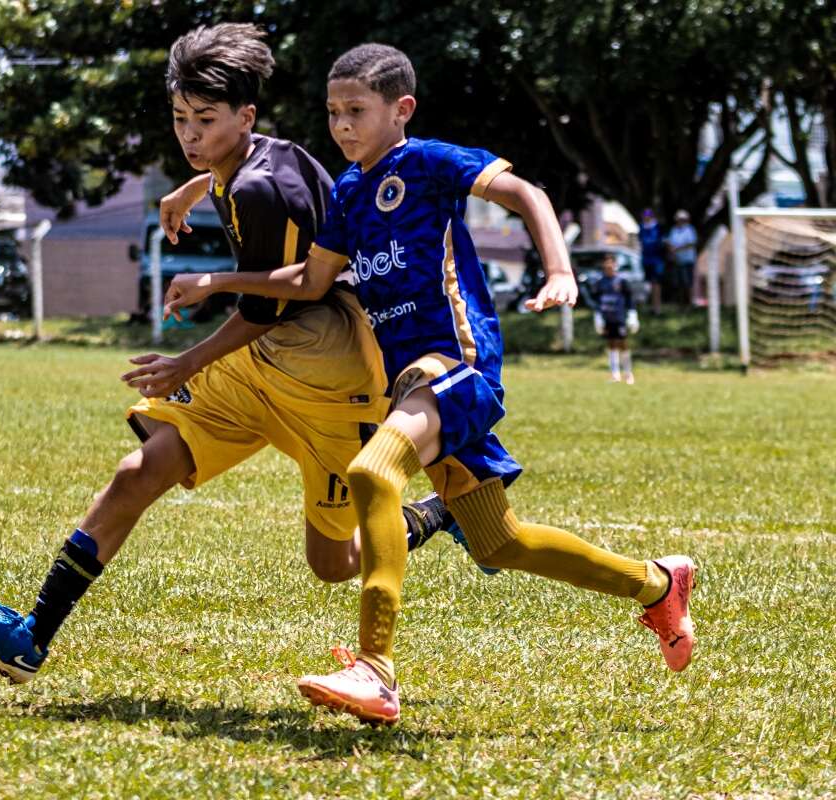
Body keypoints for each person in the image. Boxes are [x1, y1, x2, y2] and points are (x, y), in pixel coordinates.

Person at [165, 43, 696, 725]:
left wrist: (560, 270)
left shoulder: (428, 162)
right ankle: (657, 582)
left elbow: (524, 192)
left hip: (458, 364)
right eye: (333, 112)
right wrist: (216, 278)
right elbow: (308, 281)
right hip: (410, 385)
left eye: (357, 111)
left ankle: (376, 670)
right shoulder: (352, 193)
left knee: (372, 473)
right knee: (501, 541)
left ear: (401, 109)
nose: (343, 126)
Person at [0, 25, 469, 686]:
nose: (190, 136)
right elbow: (245, 187)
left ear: (243, 117)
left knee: (332, 562)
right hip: (259, 364)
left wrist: (187, 359)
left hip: (328, 377)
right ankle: (31, 635)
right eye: (180, 119)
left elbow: (271, 305)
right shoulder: (256, 156)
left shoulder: (259, 189)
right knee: (138, 471)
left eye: (206, 121)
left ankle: (430, 514)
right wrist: (188, 190)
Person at [592, 253, 638, 383]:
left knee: (623, 344)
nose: (609, 266)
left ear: (615, 265)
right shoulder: (600, 283)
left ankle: (628, 373)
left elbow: (630, 300)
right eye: (606, 263)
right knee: (611, 344)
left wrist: (633, 315)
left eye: (611, 263)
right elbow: (597, 301)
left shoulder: (622, 282)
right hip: (607, 317)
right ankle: (615, 374)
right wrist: (597, 316)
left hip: (619, 317)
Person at [667, 209, 698, 308]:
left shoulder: (690, 230)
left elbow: (691, 243)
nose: (680, 221)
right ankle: (680, 304)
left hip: (688, 260)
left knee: (688, 283)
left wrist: (677, 249)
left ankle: (689, 303)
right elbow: (670, 243)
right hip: (677, 260)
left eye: (682, 219)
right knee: (678, 283)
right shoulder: (674, 230)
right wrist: (671, 250)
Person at [638, 208, 665, 315]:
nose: (646, 218)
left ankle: (657, 308)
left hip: (657, 260)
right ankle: (651, 307)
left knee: (656, 284)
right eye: (645, 216)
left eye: (648, 216)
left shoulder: (658, 227)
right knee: (649, 284)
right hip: (646, 259)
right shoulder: (641, 227)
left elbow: (662, 243)